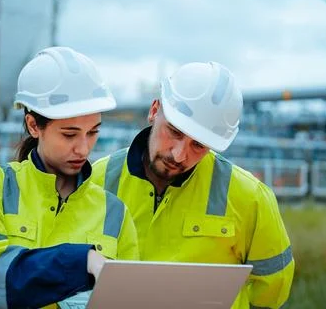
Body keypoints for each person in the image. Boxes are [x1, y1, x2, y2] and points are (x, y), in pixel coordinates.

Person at [0, 47, 139, 309]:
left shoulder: (115, 214)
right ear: (34, 125)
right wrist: (78, 262)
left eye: (93, 132)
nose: (83, 148)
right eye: (69, 135)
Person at [92, 62, 294, 308]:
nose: (179, 155)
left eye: (198, 145)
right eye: (175, 132)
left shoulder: (251, 198)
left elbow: (272, 290)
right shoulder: (95, 180)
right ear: (155, 110)